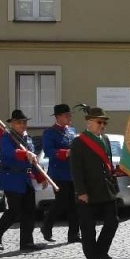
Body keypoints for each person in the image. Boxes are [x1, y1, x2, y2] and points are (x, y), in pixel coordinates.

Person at [70, 106, 120, 259]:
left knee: (112, 222)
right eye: (100, 122)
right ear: (89, 122)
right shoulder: (79, 141)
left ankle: (102, 251)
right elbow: (76, 169)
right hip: (88, 191)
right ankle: (93, 257)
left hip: (106, 189)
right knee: (88, 228)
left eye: (104, 123)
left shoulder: (105, 139)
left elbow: (108, 163)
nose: (103, 125)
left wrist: (114, 184)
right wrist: (81, 191)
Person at [0, 110, 47, 252]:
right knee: (14, 211)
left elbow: (33, 162)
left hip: (26, 179)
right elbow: (9, 153)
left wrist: (41, 177)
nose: (22, 125)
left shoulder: (27, 139)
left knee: (29, 212)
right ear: (12, 124)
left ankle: (27, 242)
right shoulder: (6, 138)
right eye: (19, 122)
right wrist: (25, 153)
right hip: (12, 179)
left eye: (24, 122)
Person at [39, 104, 79, 244]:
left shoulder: (72, 131)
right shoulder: (50, 133)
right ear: (58, 117)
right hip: (58, 174)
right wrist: (65, 153)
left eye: (70, 114)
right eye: (66, 115)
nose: (69, 117)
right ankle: (46, 226)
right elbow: (48, 151)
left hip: (72, 172)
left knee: (74, 204)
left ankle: (74, 234)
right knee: (61, 202)